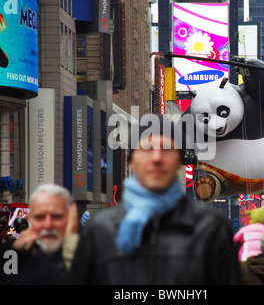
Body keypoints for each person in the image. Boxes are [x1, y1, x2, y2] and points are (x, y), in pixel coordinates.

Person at [70, 114, 242, 285]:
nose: (157, 158)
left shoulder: (211, 229)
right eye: (147, 149)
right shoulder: (100, 231)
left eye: (167, 149)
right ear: (132, 161)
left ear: (179, 161)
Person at [0, 183, 79, 284]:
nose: (48, 225)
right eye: (40, 217)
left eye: (56, 217)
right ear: (31, 219)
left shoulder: (88, 256)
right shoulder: (11, 255)